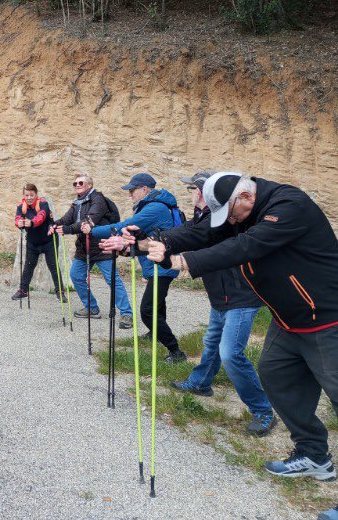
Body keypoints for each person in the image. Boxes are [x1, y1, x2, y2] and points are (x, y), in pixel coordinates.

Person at [130, 172, 337, 519]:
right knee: (274, 377)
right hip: (289, 320)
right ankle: (315, 455)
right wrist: (160, 241)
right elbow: (203, 232)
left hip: (329, 318)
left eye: (233, 214)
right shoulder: (243, 210)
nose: (231, 222)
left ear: (244, 197)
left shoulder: (289, 206)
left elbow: (245, 246)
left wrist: (184, 262)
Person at [168, 172, 277, 436]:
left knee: (231, 354)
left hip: (240, 297)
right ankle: (201, 382)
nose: (192, 193)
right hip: (222, 296)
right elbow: (186, 233)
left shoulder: (225, 222)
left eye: (195, 189)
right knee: (212, 342)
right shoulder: (204, 217)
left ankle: (263, 410)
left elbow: (203, 241)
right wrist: (154, 240)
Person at [84, 172, 187, 363]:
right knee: (158, 304)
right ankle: (154, 333)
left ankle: (176, 352)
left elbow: (126, 226)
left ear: (145, 189)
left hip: (162, 266)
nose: (130, 194)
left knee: (147, 310)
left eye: (132, 190)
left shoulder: (154, 209)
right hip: (158, 263)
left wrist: (94, 230)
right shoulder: (153, 205)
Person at [51, 173, 131, 322]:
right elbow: (66, 219)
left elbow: (88, 221)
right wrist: (54, 224)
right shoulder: (77, 203)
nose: (77, 185)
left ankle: (126, 313)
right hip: (84, 247)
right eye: (75, 183)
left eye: (80, 183)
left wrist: (68, 230)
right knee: (75, 275)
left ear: (89, 185)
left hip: (102, 246)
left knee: (112, 280)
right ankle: (91, 308)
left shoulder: (98, 199)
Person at [11, 183, 63, 301]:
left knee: (53, 266)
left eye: (31, 195)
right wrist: (19, 223)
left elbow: (41, 216)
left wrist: (31, 223)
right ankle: (23, 290)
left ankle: (60, 292)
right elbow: (17, 219)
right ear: (24, 196)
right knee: (28, 266)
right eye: (26, 195)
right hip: (33, 242)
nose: (29, 198)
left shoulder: (43, 203)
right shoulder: (21, 206)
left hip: (49, 240)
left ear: (36, 194)